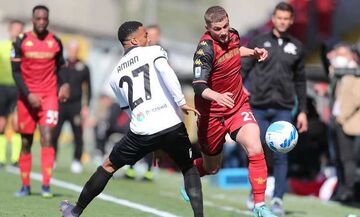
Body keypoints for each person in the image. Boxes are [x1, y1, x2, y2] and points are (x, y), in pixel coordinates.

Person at [59, 21, 204, 217]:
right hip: (171, 125)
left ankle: (75, 211)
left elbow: (128, 110)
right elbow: (166, 72)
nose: (149, 38)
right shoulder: (154, 51)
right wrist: (180, 101)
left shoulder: (115, 75)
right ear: (135, 40)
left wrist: (150, 138)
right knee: (188, 167)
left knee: (108, 166)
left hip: (141, 131)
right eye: (145, 35)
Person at [190, 6, 276, 217]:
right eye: (218, 28)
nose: (224, 31)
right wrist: (217, 96)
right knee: (212, 168)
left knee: (255, 147)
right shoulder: (204, 50)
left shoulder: (233, 35)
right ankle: (189, 175)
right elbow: (198, 86)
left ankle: (259, 206)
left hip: (237, 106)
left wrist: (253, 53)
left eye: (226, 26)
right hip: (212, 114)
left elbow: (235, 51)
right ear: (208, 28)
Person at [241, 2, 308, 216]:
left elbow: (301, 81)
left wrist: (303, 111)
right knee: (256, 149)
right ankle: (256, 193)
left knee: (282, 154)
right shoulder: (259, 41)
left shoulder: (297, 47)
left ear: (291, 20)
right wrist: (241, 87)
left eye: (287, 18)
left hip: (283, 109)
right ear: (274, 18)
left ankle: (278, 198)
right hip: (258, 106)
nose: (283, 22)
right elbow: (243, 68)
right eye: (280, 18)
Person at [11, 5, 69, 197]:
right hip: (26, 98)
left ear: (48, 20)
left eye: (45, 19)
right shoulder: (21, 41)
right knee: (26, 141)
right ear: (33, 19)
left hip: (49, 96)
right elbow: (16, 73)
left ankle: (46, 186)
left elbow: (61, 67)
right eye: (38, 19)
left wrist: (65, 84)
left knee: (47, 137)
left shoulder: (56, 42)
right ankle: (25, 186)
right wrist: (28, 94)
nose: (42, 22)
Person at [125, 24, 163, 181]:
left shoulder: (161, 52)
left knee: (153, 137)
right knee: (136, 132)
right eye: (148, 34)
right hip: (140, 100)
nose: (151, 37)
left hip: (156, 101)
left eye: (153, 34)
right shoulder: (138, 52)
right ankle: (131, 166)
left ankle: (149, 169)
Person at [52, 40, 92, 174]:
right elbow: (54, 82)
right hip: (61, 104)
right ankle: (52, 159)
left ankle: (76, 161)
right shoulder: (61, 65)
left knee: (78, 135)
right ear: (68, 50)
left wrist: (86, 106)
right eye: (71, 49)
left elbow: (89, 89)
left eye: (75, 49)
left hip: (76, 105)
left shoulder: (83, 67)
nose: (73, 51)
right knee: (55, 133)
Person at [0, 20, 24, 168]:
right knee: (1, 124)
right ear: (10, 30)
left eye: (20, 29)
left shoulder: (24, 49)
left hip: (18, 89)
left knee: (16, 123)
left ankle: (16, 159)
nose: (17, 31)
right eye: (15, 29)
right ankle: (1, 159)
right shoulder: (2, 47)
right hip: (2, 88)